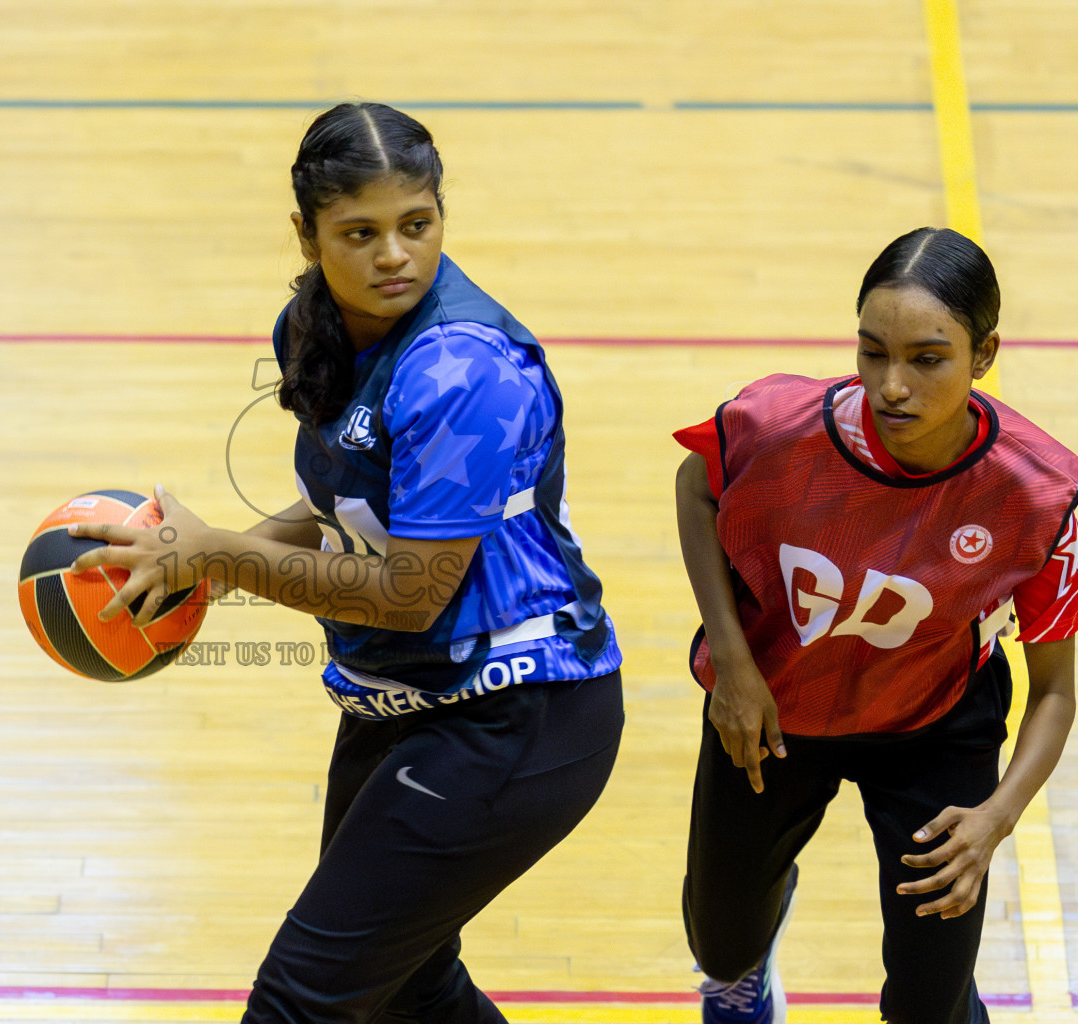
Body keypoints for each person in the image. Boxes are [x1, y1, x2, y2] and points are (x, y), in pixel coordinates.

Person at [68, 101, 625, 1023]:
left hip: (520, 710)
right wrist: (204, 557)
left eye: (419, 224)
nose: (395, 255)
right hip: (406, 698)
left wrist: (224, 555)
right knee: (409, 986)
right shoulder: (312, 326)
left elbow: (409, 591)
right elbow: (345, 510)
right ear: (308, 233)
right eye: (360, 233)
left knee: (301, 1002)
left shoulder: (459, 369)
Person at [673, 227, 1078, 1024]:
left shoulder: (1042, 494)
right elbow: (696, 489)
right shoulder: (775, 426)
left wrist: (997, 817)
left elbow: (1058, 689)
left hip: (935, 727)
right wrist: (733, 664)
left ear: (983, 354)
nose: (892, 385)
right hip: (775, 710)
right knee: (720, 945)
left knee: (932, 1002)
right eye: (871, 352)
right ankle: (745, 977)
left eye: (927, 358)